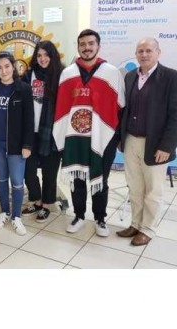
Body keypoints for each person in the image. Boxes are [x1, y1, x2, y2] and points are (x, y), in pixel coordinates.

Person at [53, 29, 124, 237]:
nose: (87, 48)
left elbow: (120, 107)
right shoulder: (68, 73)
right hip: (74, 137)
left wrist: (117, 137)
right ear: (78, 47)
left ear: (98, 46)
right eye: (82, 44)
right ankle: (79, 216)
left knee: (101, 179)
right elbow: (61, 109)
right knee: (77, 178)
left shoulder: (111, 72)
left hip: (103, 138)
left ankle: (100, 219)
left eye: (91, 43)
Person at [117, 38, 177, 245]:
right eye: (140, 51)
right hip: (131, 140)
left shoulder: (173, 78)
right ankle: (135, 224)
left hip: (156, 144)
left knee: (153, 190)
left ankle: (148, 229)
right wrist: (121, 138)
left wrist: (167, 146)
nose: (144, 54)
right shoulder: (130, 76)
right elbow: (124, 110)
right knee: (135, 187)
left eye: (148, 50)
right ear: (136, 54)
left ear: (158, 52)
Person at [0, 51, 34, 236]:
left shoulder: (23, 89)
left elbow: (29, 119)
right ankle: (5, 212)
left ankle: (16, 216)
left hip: (16, 144)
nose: (4, 71)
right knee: (1, 179)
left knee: (17, 181)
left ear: (13, 66)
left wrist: (27, 145)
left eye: (7, 66)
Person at [21, 41, 64, 222]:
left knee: (49, 172)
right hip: (30, 132)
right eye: (39, 55)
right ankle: (36, 200)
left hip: (51, 133)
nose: (42, 59)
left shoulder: (61, 76)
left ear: (53, 56)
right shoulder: (28, 75)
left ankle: (46, 204)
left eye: (46, 55)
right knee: (28, 171)